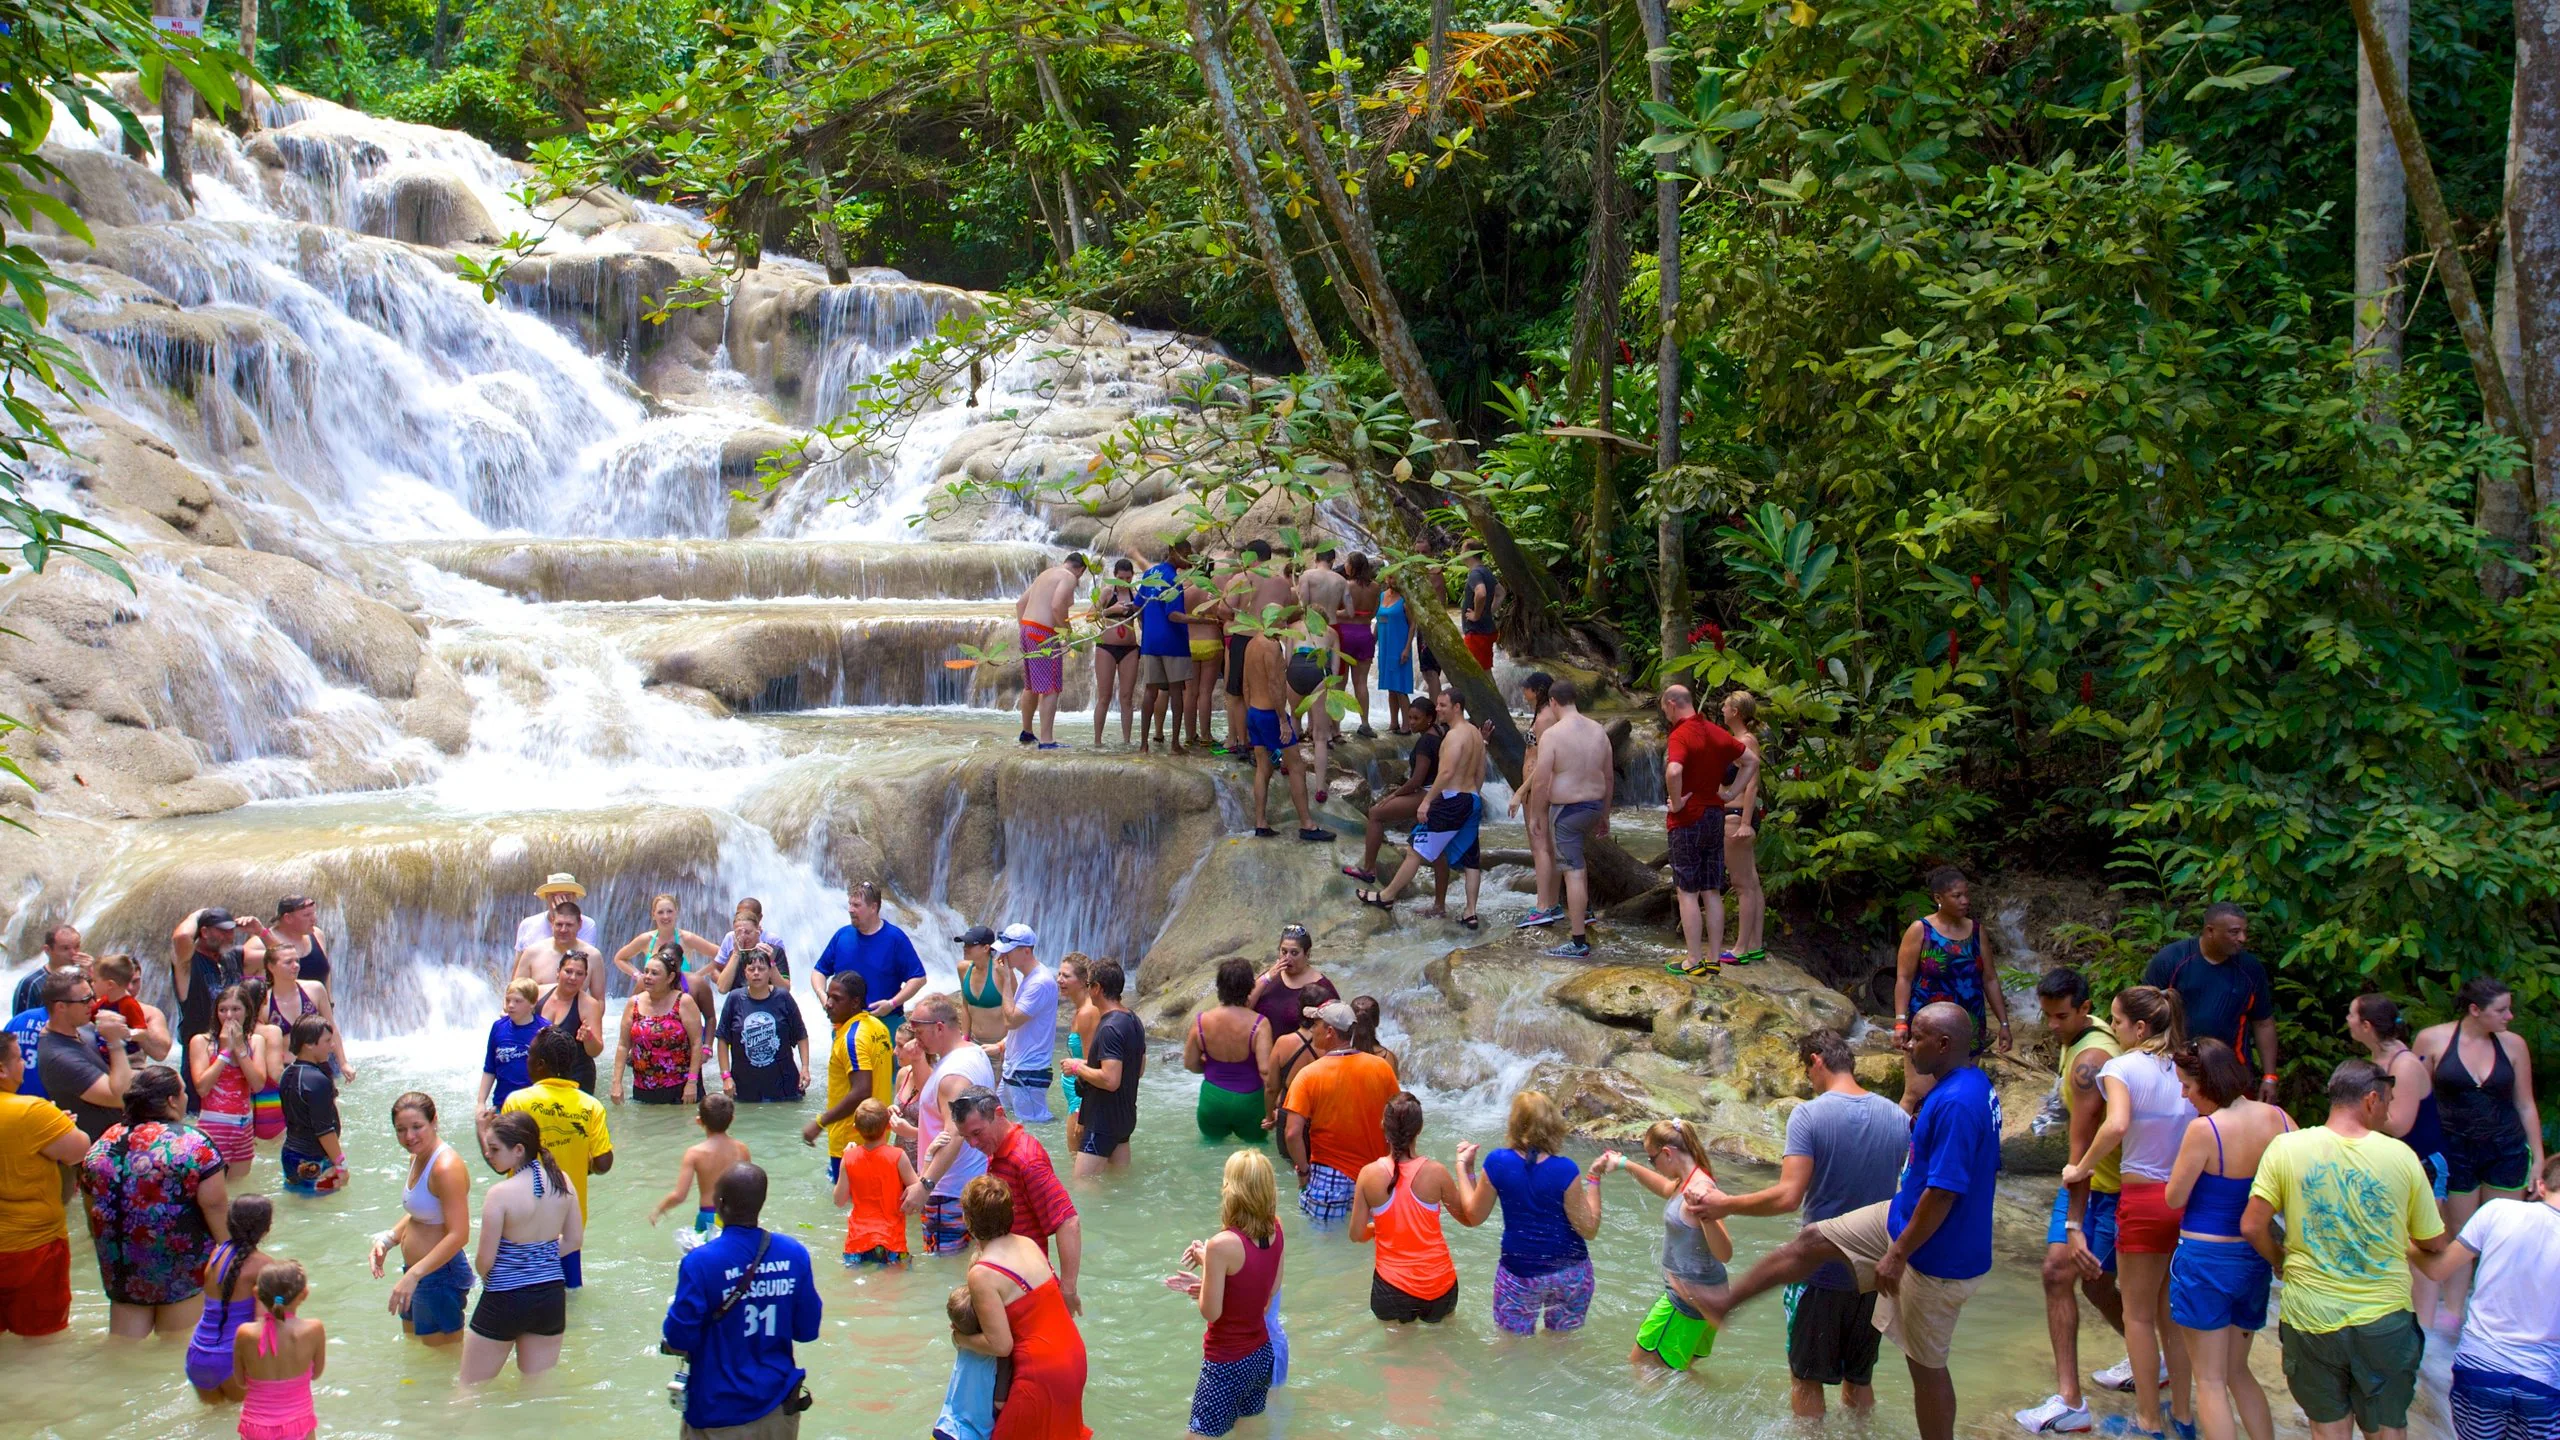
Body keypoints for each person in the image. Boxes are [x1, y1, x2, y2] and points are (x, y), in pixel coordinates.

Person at [1705, 1003, 2000, 1440]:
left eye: (1916, 1038)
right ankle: (1723, 1304)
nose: (1906, 1043)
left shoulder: (1952, 1103)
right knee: (1814, 1250)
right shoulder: (1954, 1091)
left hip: (1926, 1251)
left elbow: (1943, 1192)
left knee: (1920, 1368)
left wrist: (1898, 1254)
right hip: (1895, 1228)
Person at [1693, 1029, 1908, 1416]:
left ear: (1816, 1061)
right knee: (1859, 1381)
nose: (1808, 1081)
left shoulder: (1809, 1115)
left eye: (1806, 1071)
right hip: (1876, 1274)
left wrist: (1727, 1204)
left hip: (1820, 1275)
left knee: (1806, 1380)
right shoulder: (1897, 1117)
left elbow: (1787, 1196)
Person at [2242, 1059, 2446, 1440]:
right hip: (2384, 1320)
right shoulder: (2401, 1157)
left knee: (2327, 1429)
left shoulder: (2287, 1147)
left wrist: (2280, 1261)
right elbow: (2433, 1241)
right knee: (2387, 1430)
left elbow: (2252, 1225)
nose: (2389, 1111)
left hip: (2310, 1318)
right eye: (2388, 1101)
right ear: (2371, 1099)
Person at [2059, 985, 2197, 1437]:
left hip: (2141, 1200)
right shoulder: (2186, 1066)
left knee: (2137, 1317)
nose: (2111, 1029)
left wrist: (2082, 1167)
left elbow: (2116, 1124)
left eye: (2116, 1022)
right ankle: (2185, 1416)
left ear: (2140, 1027)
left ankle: (2147, 1422)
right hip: (2183, 1198)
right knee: (2169, 1316)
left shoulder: (2122, 1067)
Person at [2018, 968, 2133, 1433]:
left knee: (2070, 1275)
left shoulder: (2092, 1061)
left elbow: (2079, 1154)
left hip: (2108, 1188)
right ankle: (2149, 1357)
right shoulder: (2084, 1032)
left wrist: (2074, 1224)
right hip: (2103, 1183)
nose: (2052, 1026)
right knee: (2078, 1279)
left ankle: (2072, 1402)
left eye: (2060, 1016)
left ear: (2085, 1007)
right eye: (2046, 1016)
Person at [2165, 1039, 2293, 1440]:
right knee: (2239, 1372)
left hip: (2205, 1260)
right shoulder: (2280, 1119)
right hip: (2254, 1258)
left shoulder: (2205, 1130)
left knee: (2210, 1380)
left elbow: (2175, 1198)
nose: (2184, 1096)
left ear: (2209, 1082)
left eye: (2187, 1086)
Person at [2418, 976, 2545, 1327]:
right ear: (2475, 1010)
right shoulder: (2433, 1039)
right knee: (2462, 1232)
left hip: (2505, 1147)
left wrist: (2538, 1160)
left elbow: (2525, 1104)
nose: (2510, 1016)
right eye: (2501, 1010)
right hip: (2455, 1148)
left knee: (2503, 1234)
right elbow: (2416, 1101)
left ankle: (2492, 1317)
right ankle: (2453, 1314)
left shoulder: (2514, 1045)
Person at [2410, 1152, 2560, 1440]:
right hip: (2541, 1381)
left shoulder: (2498, 1211)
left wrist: (2404, 1243)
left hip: (2480, 1370)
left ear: (2541, 1186)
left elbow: (2438, 1269)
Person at [665, 1164, 821, 1438]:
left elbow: (679, 1338)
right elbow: (807, 1330)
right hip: (778, 1407)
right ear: (760, 1202)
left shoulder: (699, 1262)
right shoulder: (794, 1254)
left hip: (717, 1410)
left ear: (719, 1204)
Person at [76, 1063, 231, 1338]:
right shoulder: (193, 1144)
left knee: (124, 1349)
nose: (186, 1097)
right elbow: (215, 1206)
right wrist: (233, 1255)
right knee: (176, 1350)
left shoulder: (103, 1143)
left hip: (122, 1268)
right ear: (171, 1101)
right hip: (180, 1269)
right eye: (183, 1092)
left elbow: (92, 1212)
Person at [1448, 1090, 1600, 1335]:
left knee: (1511, 1348)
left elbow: (1474, 1216)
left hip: (1520, 1274)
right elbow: (1589, 1229)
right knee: (1561, 1347)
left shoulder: (1498, 1162)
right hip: (1570, 1273)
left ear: (1515, 1124)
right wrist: (1594, 1180)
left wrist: (1463, 1167)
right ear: (1552, 1124)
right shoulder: (1566, 1169)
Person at [957, 1175, 1090, 1439]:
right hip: (1073, 1355)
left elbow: (1001, 1344)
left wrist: (960, 1338)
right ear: (1010, 1212)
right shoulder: (1027, 1243)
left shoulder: (982, 1273)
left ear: (968, 1220)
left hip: (1042, 1370)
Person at [1172, 1149, 1286, 1439]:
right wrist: (1211, 1269)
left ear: (1231, 1190)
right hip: (1261, 1356)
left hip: (1226, 1364)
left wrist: (1203, 1281)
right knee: (1246, 1430)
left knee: (1195, 1435)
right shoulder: (1276, 1228)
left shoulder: (1221, 1245)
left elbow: (1211, 1312)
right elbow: (1268, 1289)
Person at [462, 1110, 580, 1384]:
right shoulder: (563, 1182)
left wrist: (507, 1269)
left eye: (493, 1149)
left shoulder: (499, 1194)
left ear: (518, 1150)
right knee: (537, 1391)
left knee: (469, 1389)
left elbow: (485, 1261)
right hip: (550, 1296)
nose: (488, 1155)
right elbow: (574, 1241)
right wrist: (538, 1259)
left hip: (505, 1296)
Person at [1355, 687, 1488, 927]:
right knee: (1471, 860)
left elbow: (1446, 772)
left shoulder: (1454, 736)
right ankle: (1470, 912)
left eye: (1443, 705)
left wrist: (1427, 801)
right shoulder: (1476, 735)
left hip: (1451, 799)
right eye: (1437, 705)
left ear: (1457, 707)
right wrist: (1474, 797)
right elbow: (1480, 771)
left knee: (1416, 849)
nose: (1438, 709)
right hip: (1471, 800)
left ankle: (1386, 896)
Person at [500, 1027, 614, 1289]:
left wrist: (482, 1130)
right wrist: (585, 1164)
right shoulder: (590, 1106)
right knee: (568, 1298)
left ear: (539, 1065)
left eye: (528, 1056)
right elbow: (604, 1163)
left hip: (522, 1224)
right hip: (568, 1224)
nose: (525, 1061)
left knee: (524, 1296)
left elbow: (501, 1162)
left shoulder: (517, 1101)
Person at [1345, 1092, 1472, 1324]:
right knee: (1443, 1351)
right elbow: (1468, 1217)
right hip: (1440, 1285)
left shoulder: (1368, 1175)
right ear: (1420, 1128)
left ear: (1383, 1127)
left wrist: (1376, 1229)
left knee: (1398, 1358)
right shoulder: (1437, 1173)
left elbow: (1355, 1234)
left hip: (1392, 1289)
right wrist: (1467, 1170)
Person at [952, 1088, 1084, 1306]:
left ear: (999, 1113)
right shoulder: (998, 1150)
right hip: (1009, 1282)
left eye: (977, 1133)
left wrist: (1068, 1290)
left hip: (1026, 1288)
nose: (973, 1144)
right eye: (965, 1137)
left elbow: (1068, 1221)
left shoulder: (1026, 1159)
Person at [1660, 685, 1753, 978]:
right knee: (1711, 889)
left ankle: (1693, 960)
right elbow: (1751, 761)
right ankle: (1713, 959)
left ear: (1672, 704)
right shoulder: (1715, 731)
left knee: (1687, 891)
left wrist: (1675, 803)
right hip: (1716, 815)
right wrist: (1732, 792)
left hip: (1687, 819)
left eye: (1664, 708)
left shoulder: (1681, 734)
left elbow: (1674, 771)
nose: (1665, 714)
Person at [0, 1029, 88, 1338]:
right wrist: (56, 1122)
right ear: (2, 1069)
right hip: (32, 1248)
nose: (24, 1064)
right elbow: (79, 1150)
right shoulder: (32, 1111)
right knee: (41, 1341)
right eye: (19, 1058)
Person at [1280, 1001, 1399, 1226]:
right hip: (1375, 1175)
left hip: (1327, 1178)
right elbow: (1398, 1120)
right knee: (1371, 1245)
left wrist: (1304, 1172)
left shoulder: (1308, 1075)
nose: (1312, 1029)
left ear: (1330, 1032)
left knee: (1323, 1249)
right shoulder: (1381, 1068)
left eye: (1316, 1024)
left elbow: (1292, 1134)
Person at [2144, 903, 2277, 1099]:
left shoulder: (2250, 969)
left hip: (2231, 1073)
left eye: (2244, 932)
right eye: (2234, 932)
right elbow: (2144, 1013)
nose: (2242, 939)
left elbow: (2263, 1022)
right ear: (2210, 931)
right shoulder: (2172, 960)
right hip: (2174, 1072)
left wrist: (2270, 1076)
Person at [373, 1092, 474, 1348]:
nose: (409, 1137)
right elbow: (420, 1212)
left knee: (442, 1362)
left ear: (434, 1121)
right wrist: (388, 1240)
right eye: (401, 1130)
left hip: (439, 1275)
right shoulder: (417, 1157)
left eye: (417, 1127)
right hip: (418, 1273)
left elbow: (460, 1234)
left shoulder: (446, 1167)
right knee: (416, 1352)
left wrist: (415, 1275)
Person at [1530, 679, 1613, 958]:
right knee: (1578, 866)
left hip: (1567, 811)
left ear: (1553, 702)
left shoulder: (1553, 735)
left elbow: (1541, 781)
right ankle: (1584, 917)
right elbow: (1609, 776)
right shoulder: (1599, 730)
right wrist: (1605, 814)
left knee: (1573, 871)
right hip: (1593, 806)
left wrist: (1537, 814)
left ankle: (1578, 942)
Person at [1894, 866, 2013, 1055]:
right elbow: (1904, 978)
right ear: (1938, 898)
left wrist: (2004, 1023)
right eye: (1957, 896)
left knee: (1963, 1080)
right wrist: (1900, 1022)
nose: (1965, 901)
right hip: (1929, 1024)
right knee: (1921, 1084)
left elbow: (1989, 979)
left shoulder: (1976, 931)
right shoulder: (1921, 930)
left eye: (1966, 895)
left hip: (1969, 1022)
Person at [914, 992, 998, 1255]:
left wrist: (924, 1186)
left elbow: (955, 1134)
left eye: (919, 1032)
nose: (916, 1038)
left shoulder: (952, 1076)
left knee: (942, 1268)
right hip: (974, 1183)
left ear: (939, 1027)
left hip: (946, 1192)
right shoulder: (974, 1053)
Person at [802, 971, 893, 1183]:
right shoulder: (877, 1026)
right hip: (877, 1135)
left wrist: (820, 1122)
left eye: (837, 999)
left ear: (855, 1003)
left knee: (847, 1205)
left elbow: (862, 1091)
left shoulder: (852, 1039)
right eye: (828, 996)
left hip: (851, 1139)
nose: (828, 1004)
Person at [1342, 696, 1443, 885]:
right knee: (1440, 854)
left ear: (1429, 718)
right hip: (1439, 792)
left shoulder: (1425, 743)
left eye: (1416, 719)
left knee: (1376, 813)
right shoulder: (1438, 732)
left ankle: (1368, 869)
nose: (1411, 723)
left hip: (1427, 792)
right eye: (1410, 717)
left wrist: (1393, 794)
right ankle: (1439, 903)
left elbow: (1416, 781)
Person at [1238, 624, 1327, 839]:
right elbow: (1275, 685)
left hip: (1255, 712)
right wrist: (1282, 720)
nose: (1286, 627)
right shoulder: (1272, 646)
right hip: (1271, 714)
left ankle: (1261, 822)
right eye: (1283, 622)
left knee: (1263, 768)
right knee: (1296, 765)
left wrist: (1251, 713)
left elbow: (1245, 684)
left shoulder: (1251, 644)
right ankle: (1307, 824)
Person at [1060, 958, 1143, 1176]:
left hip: (1103, 1121)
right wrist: (1088, 1065)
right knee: (1118, 1184)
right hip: (1125, 1117)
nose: (1087, 991)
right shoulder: (1133, 1020)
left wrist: (1077, 1066)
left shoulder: (1109, 1028)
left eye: (1089, 986)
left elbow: (1110, 1080)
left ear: (1097, 988)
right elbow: (1138, 1068)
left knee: (1083, 1186)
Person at [810, 882, 927, 1032]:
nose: (850, 910)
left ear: (873, 907)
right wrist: (822, 995)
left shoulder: (895, 938)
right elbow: (818, 971)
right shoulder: (842, 936)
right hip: (844, 1024)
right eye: (850, 904)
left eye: (857, 905)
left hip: (884, 1021)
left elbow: (918, 978)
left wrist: (892, 1003)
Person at [187, 1193, 272, 1400]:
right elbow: (264, 1322)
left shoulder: (216, 1253)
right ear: (266, 1228)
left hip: (197, 1353)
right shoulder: (264, 1265)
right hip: (231, 1357)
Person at [38, 966, 131, 1141]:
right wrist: (115, 1042)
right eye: (84, 1000)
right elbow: (121, 1097)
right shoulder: (58, 1058)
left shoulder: (84, 1028)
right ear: (60, 1007)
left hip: (112, 1143)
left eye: (92, 996)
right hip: (92, 1156)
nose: (93, 1004)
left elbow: (118, 1075)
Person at [234, 1261, 324, 1440]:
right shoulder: (314, 1329)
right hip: (298, 1423)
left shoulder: (244, 1333)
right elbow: (316, 1374)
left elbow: (241, 1381)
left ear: (256, 1293)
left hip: (255, 1426)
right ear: (304, 1294)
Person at [1187, 958, 1274, 1144]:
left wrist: (1212, 1068)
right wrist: (1272, 1111)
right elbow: (1266, 1072)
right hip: (1250, 1101)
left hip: (1212, 1099)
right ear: (1250, 986)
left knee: (1210, 1148)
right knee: (1256, 1153)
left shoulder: (1202, 1021)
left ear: (1219, 986)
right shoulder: (1260, 1024)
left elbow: (1190, 1064)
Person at [188, 983, 268, 1183]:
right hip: (214, 1125)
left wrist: (240, 1048)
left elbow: (258, 1084)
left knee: (237, 1186)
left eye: (235, 1009)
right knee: (213, 1186)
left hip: (245, 1126)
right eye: (223, 1010)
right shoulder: (201, 1042)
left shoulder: (256, 1041)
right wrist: (224, 1052)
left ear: (247, 1012)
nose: (229, 1016)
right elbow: (202, 1087)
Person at [1016, 550, 1086, 749]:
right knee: (1051, 687)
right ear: (1080, 570)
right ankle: (1047, 740)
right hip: (1044, 632)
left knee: (1030, 685)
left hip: (1028, 628)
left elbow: (1020, 603)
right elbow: (1057, 606)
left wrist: (1023, 630)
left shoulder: (1046, 574)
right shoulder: (1069, 577)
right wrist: (1067, 634)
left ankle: (1027, 732)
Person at [719, 948, 809, 1103]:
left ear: (769, 972)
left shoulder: (783, 997)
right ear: (745, 973)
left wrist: (805, 1068)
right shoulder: (735, 999)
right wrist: (726, 1076)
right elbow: (722, 1038)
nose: (756, 973)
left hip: (784, 1085)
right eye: (751, 969)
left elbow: (801, 1035)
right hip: (745, 1086)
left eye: (761, 969)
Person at [617, 950, 706, 1105]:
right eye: (646, 972)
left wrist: (692, 1082)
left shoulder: (684, 1002)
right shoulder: (634, 1003)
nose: (647, 977)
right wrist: (616, 1083)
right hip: (643, 1087)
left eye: (654, 973)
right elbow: (623, 1045)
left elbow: (697, 1043)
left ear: (670, 977)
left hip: (681, 1087)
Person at [651, 1094, 750, 1234]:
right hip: (738, 1216)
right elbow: (749, 1189)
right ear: (732, 1119)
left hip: (709, 1217)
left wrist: (659, 1209)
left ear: (699, 1121)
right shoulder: (742, 1149)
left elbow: (679, 1195)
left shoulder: (694, 1153)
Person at [833, 1100, 916, 1266]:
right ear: (888, 1127)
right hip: (892, 1241)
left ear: (855, 1128)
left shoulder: (849, 1158)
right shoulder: (898, 1156)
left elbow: (839, 1201)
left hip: (857, 1242)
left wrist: (846, 1160)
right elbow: (917, 1191)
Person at [1720, 690, 1768, 965]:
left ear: (1736, 712)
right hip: (1736, 814)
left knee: (1742, 885)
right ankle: (1754, 944)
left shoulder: (1746, 741)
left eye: (1725, 706)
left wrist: (1746, 822)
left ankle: (1740, 949)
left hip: (1738, 817)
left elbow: (1752, 783)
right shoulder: (1738, 740)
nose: (1722, 709)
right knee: (1751, 881)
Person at [994, 924, 1060, 1124]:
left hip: (1029, 1071)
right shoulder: (1029, 977)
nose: (1002, 956)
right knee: (1000, 1119)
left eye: (1008, 951)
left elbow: (1011, 1020)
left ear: (1026, 951)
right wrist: (1002, 1044)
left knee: (1035, 1129)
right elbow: (1024, 1024)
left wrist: (1006, 980)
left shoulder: (1040, 982)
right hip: (1015, 1068)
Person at [1136, 539, 1195, 755]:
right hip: (1173, 642)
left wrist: (1147, 628)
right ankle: (1175, 744)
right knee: (1176, 691)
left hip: (1151, 642)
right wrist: (1203, 621)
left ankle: (1143, 745)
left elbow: (1137, 606)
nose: (1189, 557)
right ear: (1173, 552)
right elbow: (1174, 615)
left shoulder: (1150, 575)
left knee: (1150, 691)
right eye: (1186, 552)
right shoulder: (1174, 579)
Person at [277, 1016, 346, 1194]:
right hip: (313, 1160)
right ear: (308, 1044)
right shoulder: (316, 1080)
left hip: (290, 1154)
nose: (332, 1046)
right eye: (327, 1040)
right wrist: (340, 1163)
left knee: (300, 1206)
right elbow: (324, 1130)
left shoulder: (287, 1073)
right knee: (324, 1209)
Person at [613, 893, 724, 999]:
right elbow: (619, 958)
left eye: (669, 911)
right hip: (652, 1000)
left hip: (681, 1000)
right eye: (660, 912)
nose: (665, 916)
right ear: (653, 914)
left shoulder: (686, 939)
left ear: (676, 913)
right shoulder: (646, 939)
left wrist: (696, 976)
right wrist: (637, 975)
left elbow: (722, 953)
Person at [1245, 925, 1336, 1041]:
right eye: (1284, 952)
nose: (1287, 958)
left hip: (1296, 1055)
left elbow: (1334, 1033)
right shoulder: (1269, 977)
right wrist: (1267, 977)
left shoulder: (1322, 987)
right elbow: (1244, 1008)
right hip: (1260, 1052)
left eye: (1294, 953)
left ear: (1307, 954)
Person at [1089, 555, 1142, 748]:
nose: (1124, 582)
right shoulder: (1106, 592)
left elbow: (1142, 622)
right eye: (1121, 578)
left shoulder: (1135, 594)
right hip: (1106, 648)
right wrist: (1110, 611)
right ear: (1114, 576)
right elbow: (1089, 616)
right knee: (1104, 696)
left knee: (1127, 697)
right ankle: (1097, 742)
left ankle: (1127, 741)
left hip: (1129, 649)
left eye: (1128, 578)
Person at [937, 1283, 1002, 1440]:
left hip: (944, 1428)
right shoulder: (998, 1354)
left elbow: (957, 1336)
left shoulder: (960, 1343)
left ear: (953, 1326)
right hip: (973, 1435)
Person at [514, 901, 608, 1006]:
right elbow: (515, 993)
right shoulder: (532, 953)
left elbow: (599, 1001)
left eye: (569, 925)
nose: (563, 930)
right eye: (559, 924)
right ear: (552, 923)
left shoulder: (593, 956)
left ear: (580, 925)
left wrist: (589, 1021)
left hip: (575, 1020)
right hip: (537, 1018)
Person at [538, 951, 605, 1094]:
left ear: (585, 977)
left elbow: (595, 1051)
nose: (573, 978)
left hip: (576, 1077)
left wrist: (589, 1038)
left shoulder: (589, 1005)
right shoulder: (538, 993)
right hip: (541, 1073)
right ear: (558, 972)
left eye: (579, 974)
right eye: (568, 971)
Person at [479, 978, 549, 1113]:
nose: (510, 1005)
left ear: (533, 1003)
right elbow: (490, 1068)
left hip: (535, 1107)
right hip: (503, 1105)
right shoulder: (498, 1027)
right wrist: (481, 1103)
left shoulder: (545, 1030)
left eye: (517, 1001)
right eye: (508, 1000)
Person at [89, 953, 172, 1063]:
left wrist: (126, 1032)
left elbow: (161, 1054)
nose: (129, 988)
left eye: (135, 981)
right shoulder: (99, 1004)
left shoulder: (148, 1012)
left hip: (130, 1065)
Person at [1184, 555, 1229, 751]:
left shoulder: (1185, 591)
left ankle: (1188, 735)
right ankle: (1205, 736)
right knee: (1205, 693)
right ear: (1211, 571)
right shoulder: (1214, 592)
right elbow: (1223, 615)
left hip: (1190, 644)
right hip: (1211, 642)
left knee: (1190, 693)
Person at [1057, 956, 1099, 1156]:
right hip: (1076, 1097)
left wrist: (1082, 1113)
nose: (1059, 979)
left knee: (1078, 1163)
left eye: (1066, 976)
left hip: (1080, 1100)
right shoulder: (1080, 1010)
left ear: (1083, 981)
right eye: (1059, 974)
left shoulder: (1087, 1013)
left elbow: (1093, 1065)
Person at [1334, 553, 1379, 737]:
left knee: (1341, 682)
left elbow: (1337, 610)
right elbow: (1373, 613)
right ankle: (1365, 723)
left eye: (1346, 563)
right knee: (1361, 682)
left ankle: (1336, 726)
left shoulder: (1345, 586)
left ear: (1352, 567)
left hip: (1345, 634)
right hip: (1364, 633)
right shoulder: (1376, 587)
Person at [8, 923, 85, 1017]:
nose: (74, 953)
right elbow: (21, 1023)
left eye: (77, 946)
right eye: (65, 948)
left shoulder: (84, 978)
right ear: (47, 950)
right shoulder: (32, 983)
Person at [253, 894, 331, 985]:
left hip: (319, 998)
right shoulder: (261, 943)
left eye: (314, 913)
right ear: (288, 918)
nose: (314, 919)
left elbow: (326, 973)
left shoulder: (317, 934)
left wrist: (329, 999)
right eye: (307, 915)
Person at [953, 926, 1011, 1047]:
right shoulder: (963, 969)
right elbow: (965, 1005)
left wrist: (1002, 1046)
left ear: (986, 948)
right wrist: (965, 1039)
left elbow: (1015, 1013)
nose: (965, 948)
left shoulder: (1001, 972)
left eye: (970, 945)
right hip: (974, 1043)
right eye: (964, 944)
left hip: (998, 1047)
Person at [517, 873, 603, 955]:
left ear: (574, 898)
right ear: (546, 898)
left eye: (567, 896)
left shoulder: (587, 925)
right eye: (554, 896)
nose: (561, 900)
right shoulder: (527, 924)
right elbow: (518, 965)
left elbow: (580, 963)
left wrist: (562, 917)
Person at [712, 902, 790, 990]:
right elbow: (722, 989)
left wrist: (771, 963)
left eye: (747, 932)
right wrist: (735, 954)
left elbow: (785, 989)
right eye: (738, 933)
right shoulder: (734, 955)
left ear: (758, 932)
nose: (743, 937)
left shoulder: (775, 951)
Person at [1458, 554, 1499, 673]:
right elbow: (1501, 592)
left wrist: (1476, 615)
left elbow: (1481, 593)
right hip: (1487, 630)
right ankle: (1492, 692)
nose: (1460, 554)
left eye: (1463, 550)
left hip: (1476, 633)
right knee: (1485, 672)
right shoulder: (1486, 571)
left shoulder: (1475, 573)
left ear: (1469, 552)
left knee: (1474, 673)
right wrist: (1488, 612)